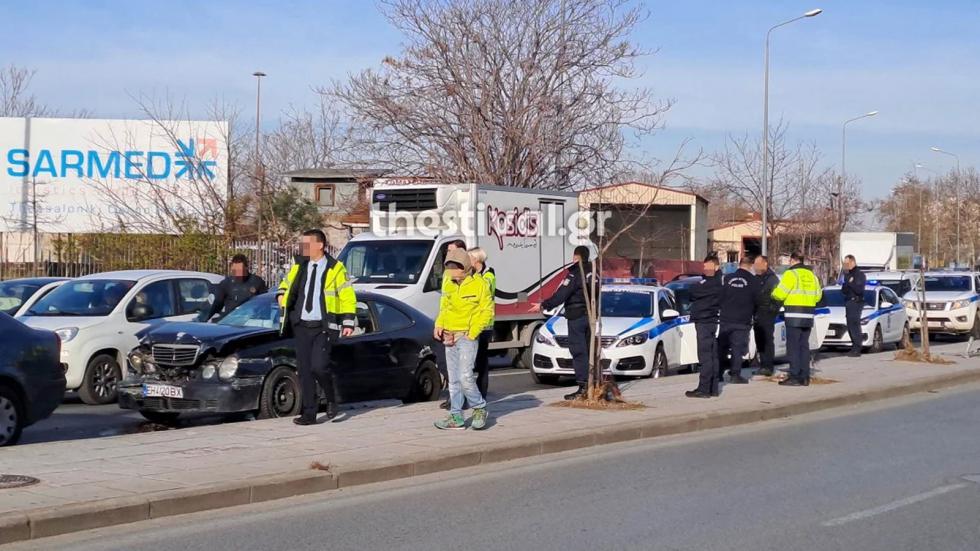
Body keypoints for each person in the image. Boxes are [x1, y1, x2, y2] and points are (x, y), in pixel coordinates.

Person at [277, 229, 357, 425]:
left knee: (319, 367)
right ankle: (309, 413)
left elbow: (347, 296)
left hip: (322, 326)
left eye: (307, 244)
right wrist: (280, 294)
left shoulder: (335, 268)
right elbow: (286, 284)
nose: (302, 247)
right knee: (304, 370)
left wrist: (347, 321)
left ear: (319, 245)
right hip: (301, 325)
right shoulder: (299, 265)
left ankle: (331, 398)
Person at [434, 248, 492, 430]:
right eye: (448, 267)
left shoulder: (480, 284)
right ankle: (456, 417)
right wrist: (439, 325)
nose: (450, 271)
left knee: (465, 377)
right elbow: (445, 307)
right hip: (449, 336)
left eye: (454, 267)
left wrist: (472, 332)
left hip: (467, 336)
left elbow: (486, 311)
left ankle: (479, 408)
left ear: (464, 267)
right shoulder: (449, 283)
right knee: (453, 380)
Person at [532, 245, 595, 401]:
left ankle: (583, 386)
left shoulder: (575, 273)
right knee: (588, 350)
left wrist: (543, 305)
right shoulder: (593, 272)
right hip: (590, 317)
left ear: (577, 257)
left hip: (577, 316)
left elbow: (562, 294)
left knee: (578, 351)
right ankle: (592, 384)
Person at [772, 252, 822, 387]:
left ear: (792, 260)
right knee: (804, 346)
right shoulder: (812, 276)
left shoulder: (791, 274)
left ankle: (794, 375)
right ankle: (805, 376)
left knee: (793, 346)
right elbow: (818, 296)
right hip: (808, 315)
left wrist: (773, 294)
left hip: (794, 314)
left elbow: (780, 293)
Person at [686, 254, 724, 399]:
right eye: (704, 267)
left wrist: (698, 287)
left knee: (705, 356)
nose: (705, 269)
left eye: (708, 267)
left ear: (716, 266)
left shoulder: (712, 283)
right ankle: (713, 388)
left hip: (705, 320)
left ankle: (704, 389)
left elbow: (693, 291)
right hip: (710, 320)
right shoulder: (715, 281)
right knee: (712, 355)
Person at [717, 256, 760, 384]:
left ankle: (718, 373)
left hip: (726, 318)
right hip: (742, 319)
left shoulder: (728, 278)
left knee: (722, 347)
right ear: (750, 266)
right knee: (737, 348)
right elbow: (758, 300)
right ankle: (735, 374)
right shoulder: (753, 280)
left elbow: (720, 297)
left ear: (739, 264)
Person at [439, 239, 469, 410]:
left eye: (452, 251)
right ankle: (455, 400)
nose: (448, 254)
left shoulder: (469, 276)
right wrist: (440, 323)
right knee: (452, 368)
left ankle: (470, 401)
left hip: (463, 328)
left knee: (464, 370)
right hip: (449, 324)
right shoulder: (447, 273)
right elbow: (445, 300)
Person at [200, 254, 268, 322]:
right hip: (231, 321)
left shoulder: (257, 282)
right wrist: (206, 318)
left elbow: (265, 303)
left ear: (246, 267)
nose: (238, 272)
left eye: (240, 270)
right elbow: (218, 304)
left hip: (251, 321)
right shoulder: (226, 283)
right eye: (236, 270)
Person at [469, 247, 495, 400]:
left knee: (481, 361)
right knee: (473, 360)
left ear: (477, 260)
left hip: (484, 325)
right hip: (474, 323)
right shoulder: (477, 275)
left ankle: (481, 393)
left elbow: (484, 293)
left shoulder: (488, 275)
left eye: (470, 258)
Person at [753, 255, 781, 377]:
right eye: (754, 264)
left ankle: (768, 366)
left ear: (765, 264)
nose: (755, 267)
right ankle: (763, 364)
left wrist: (772, 310)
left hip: (767, 314)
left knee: (767, 340)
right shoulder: (756, 278)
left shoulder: (772, 279)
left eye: (758, 264)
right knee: (759, 340)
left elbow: (778, 298)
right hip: (757, 313)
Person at [841, 254, 867, 357]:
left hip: (856, 302)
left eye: (847, 263)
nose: (846, 265)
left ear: (852, 262)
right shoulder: (847, 275)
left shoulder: (859, 275)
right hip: (848, 302)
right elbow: (843, 290)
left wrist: (851, 283)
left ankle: (857, 347)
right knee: (850, 325)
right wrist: (848, 283)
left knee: (855, 324)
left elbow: (859, 290)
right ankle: (854, 347)